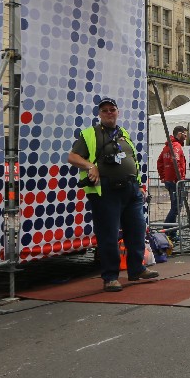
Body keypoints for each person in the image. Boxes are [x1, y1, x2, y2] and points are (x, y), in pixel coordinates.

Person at [67, 96, 156, 291]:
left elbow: (133, 159)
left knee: (137, 230)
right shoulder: (90, 134)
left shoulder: (123, 133)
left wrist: (140, 186)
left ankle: (137, 268)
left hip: (131, 190)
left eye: (112, 109)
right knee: (108, 235)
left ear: (117, 112)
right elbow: (72, 157)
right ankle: (110, 277)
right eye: (105, 110)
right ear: (99, 114)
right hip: (106, 191)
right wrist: (91, 166)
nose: (109, 113)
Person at [156, 125, 188, 239]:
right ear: (179, 134)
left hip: (170, 181)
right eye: (184, 134)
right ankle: (164, 231)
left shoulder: (167, 147)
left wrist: (164, 177)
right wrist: (180, 178)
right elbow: (177, 162)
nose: (186, 137)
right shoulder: (176, 146)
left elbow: (159, 162)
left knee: (175, 206)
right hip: (176, 181)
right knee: (176, 207)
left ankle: (172, 233)